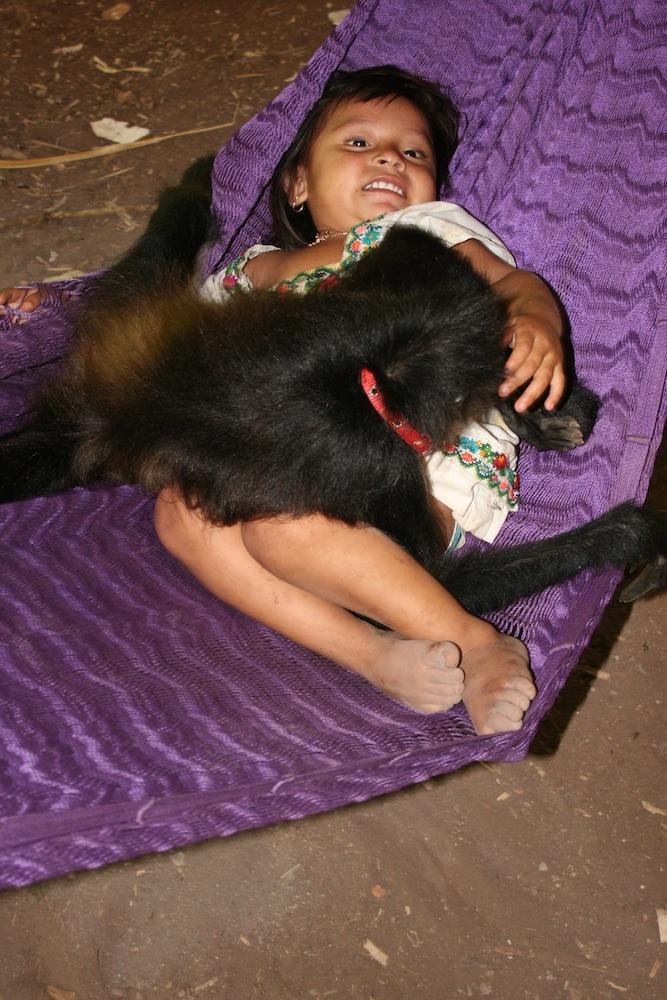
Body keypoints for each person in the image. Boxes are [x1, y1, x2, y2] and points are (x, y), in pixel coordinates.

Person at [0, 66, 567, 735]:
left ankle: (473, 643)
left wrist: (536, 320)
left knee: (281, 525)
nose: (390, 157)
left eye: (414, 152)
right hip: (280, 468)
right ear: (298, 184)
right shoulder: (247, 275)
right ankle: (370, 654)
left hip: (411, 474)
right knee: (181, 512)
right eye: (359, 143)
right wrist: (55, 312)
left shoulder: (422, 230)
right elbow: (163, 357)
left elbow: (512, 281)